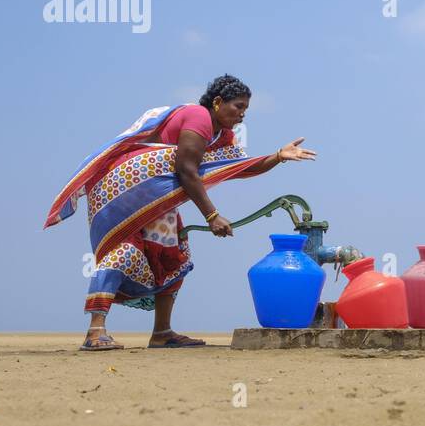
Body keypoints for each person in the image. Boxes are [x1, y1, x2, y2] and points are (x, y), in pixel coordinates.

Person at [44, 74, 316, 351]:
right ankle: (95, 331)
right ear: (218, 102)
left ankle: (162, 332)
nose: (242, 114)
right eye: (238, 106)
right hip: (129, 192)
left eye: (246, 109)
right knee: (123, 252)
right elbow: (186, 170)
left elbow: (237, 168)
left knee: (174, 256)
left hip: (159, 200)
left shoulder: (223, 136)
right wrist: (212, 216)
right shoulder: (198, 117)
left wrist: (278, 156)